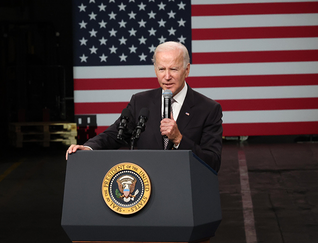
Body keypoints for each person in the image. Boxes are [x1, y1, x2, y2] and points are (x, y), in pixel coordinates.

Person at [66, 41, 223, 172]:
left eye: (173, 69)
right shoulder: (140, 102)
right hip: (145, 190)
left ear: (186, 70)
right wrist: (88, 148)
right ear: (155, 70)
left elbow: (213, 162)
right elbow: (113, 135)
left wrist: (178, 139)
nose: (167, 77)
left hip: (186, 189)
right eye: (162, 69)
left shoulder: (208, 109)